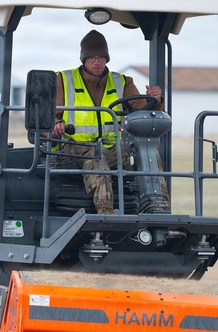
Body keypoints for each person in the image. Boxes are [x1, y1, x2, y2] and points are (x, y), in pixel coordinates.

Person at [50, 30, 165, 214]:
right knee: (97, 155)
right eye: (92, 57)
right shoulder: (63, 80)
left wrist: (156, 100)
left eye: (101, 57)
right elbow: (48, 114)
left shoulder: (122, 82)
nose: (97, 61)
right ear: (83, 59)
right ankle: (106, 216)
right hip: (73, 147)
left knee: (146, 152)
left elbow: (141, 112)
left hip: (112, 147)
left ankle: (158, 209)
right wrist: (56, 124)